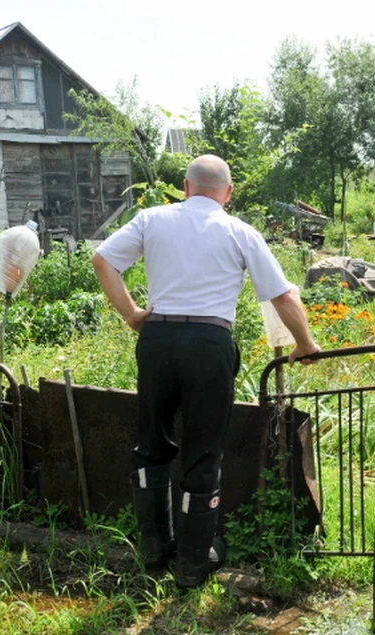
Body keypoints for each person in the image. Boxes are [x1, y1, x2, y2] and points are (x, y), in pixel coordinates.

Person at [91, 154, 320, 588]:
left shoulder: (152, 218)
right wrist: (306, 344)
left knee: (150, 444)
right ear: (228, 193)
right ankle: (194, 565)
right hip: (209, 345)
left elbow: (103, 260)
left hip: (156, 340)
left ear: (185, 186)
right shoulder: (239, 231)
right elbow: (283, 296)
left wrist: (133, 314)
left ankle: (156, 550)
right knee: (203, 452)